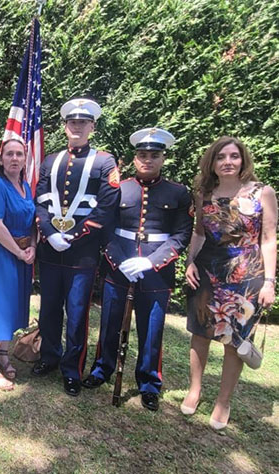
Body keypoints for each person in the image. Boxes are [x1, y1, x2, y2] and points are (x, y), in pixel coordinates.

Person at [82, 128, 192, 411]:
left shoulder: (179, 193)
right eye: (143, 155)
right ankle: (101, 369)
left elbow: (181, 236)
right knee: (109, 323)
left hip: (156, 272)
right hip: (118, 268)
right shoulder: (120, 189)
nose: (148, 160)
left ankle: (148, 382)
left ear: (163, 158)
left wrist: (151, 261)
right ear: (135, 158)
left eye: (154, 155)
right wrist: (119, 262)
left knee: (152, 329)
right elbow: (105, 229)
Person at [182, 136, 276, 429]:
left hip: (246, 275)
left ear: (243, 159)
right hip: (207, 270)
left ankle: (223, 402)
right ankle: (195, 390)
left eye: (233, 156)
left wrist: (270, 282)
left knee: (234, 340)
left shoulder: (262, 193)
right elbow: (199, 233)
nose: (227, 162)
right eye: (221, 157)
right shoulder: (204, 193)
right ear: (212, 161)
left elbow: (270, 239)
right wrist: (189, 263)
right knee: (200, 332)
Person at [33, 98, 121, 397]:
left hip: (81, 252)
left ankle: (72, 369)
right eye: (72, 122)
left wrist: (75, 235)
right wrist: (48, 231)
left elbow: (107, 206)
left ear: (92, 127)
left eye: (83, 122)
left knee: (77, 312)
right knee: (48, 310)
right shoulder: (50, 160)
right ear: (65, 125)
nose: (77, 126)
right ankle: (49, 357)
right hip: (50, 250)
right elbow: (41, 199)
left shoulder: (105, 162)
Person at [0, 139, 35, 390]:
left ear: (25, 159)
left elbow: (33, 220)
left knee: (13, 306)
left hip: (23, 253)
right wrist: (19, 252)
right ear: (1, 159)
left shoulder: (25, 186)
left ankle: (3, 354)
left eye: (19, 154)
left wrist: (32, 245)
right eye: (9, 154)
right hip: (3, 253)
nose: (14, 158)